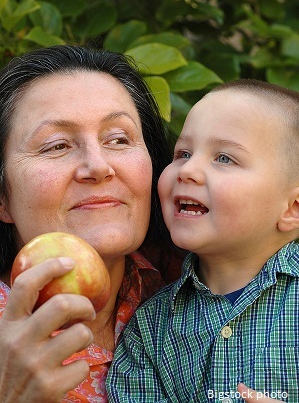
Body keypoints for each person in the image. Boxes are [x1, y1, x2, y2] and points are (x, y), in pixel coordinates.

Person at [0, 45, 185, 403]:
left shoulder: (199, 287)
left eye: (118, 139)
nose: (98, 166)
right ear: (3, 198)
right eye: (56, 146)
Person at [107, 79, 299, 402]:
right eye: (182, 153)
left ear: (292, 209)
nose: (188, 170)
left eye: (224, 158)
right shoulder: (150, 331)